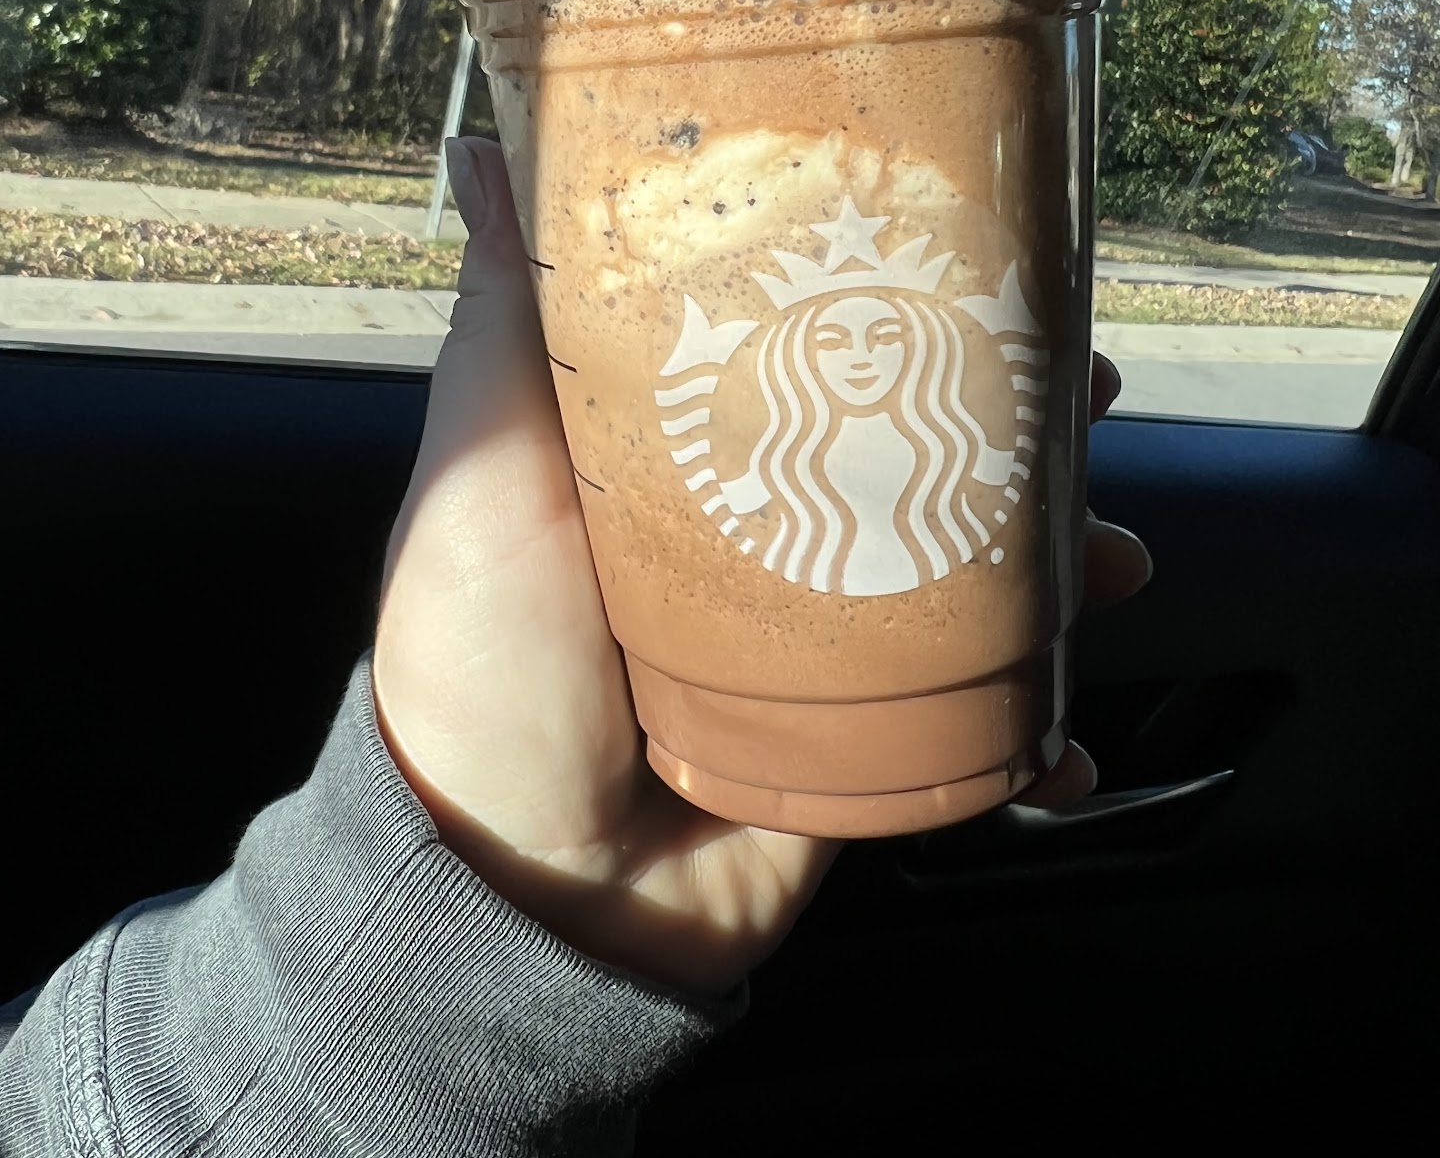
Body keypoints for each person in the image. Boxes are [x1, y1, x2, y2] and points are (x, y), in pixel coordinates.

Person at [0, 137, 1151, 1155]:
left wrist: (485, 918)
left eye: (884, 329)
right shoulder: (779, 461)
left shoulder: (938, 448)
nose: (859, 354)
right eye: (834, 331)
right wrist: (500, 899)